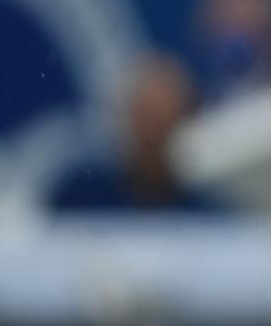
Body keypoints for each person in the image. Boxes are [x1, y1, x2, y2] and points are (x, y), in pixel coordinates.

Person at [46, 53, 216, 212]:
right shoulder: (81, 199)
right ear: (128, 117)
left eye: (163, 119)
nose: (153, 131)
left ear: (185, 118)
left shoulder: (208, 211)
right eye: (146, 115)